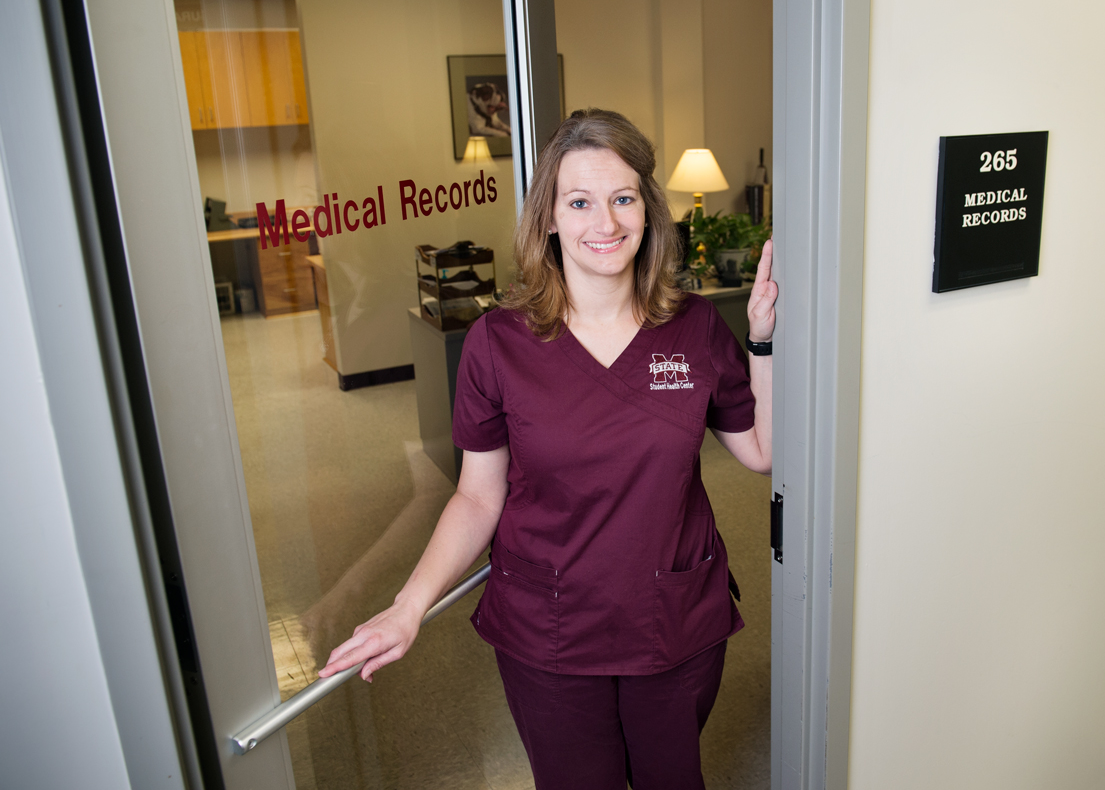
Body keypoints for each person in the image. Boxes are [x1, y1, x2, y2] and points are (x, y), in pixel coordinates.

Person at [320, 108, 777, 789]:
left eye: (624, 198)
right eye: (581, 201)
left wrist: (764, 340)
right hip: (551, 633)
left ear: (648, 212)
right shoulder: (498, 344)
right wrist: (408, 603)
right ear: (551, 218)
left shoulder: (696, 329)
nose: (607, 222)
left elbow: (762, 451)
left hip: (674, 623)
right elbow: (478, 494)